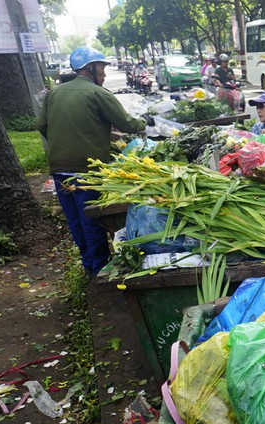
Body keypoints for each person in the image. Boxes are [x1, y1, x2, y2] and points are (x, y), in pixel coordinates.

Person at [37, 47, 154, 278]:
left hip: (59, 168)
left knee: (75, 220)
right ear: (89, 68)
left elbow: (42, 126)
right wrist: (145, 120)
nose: (104, 75)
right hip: (86, 170)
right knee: (91, 219)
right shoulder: (97, 93)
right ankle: (100, 271)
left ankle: (89, 265)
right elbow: (128, 124)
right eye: (101, 68)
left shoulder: (54, 94)